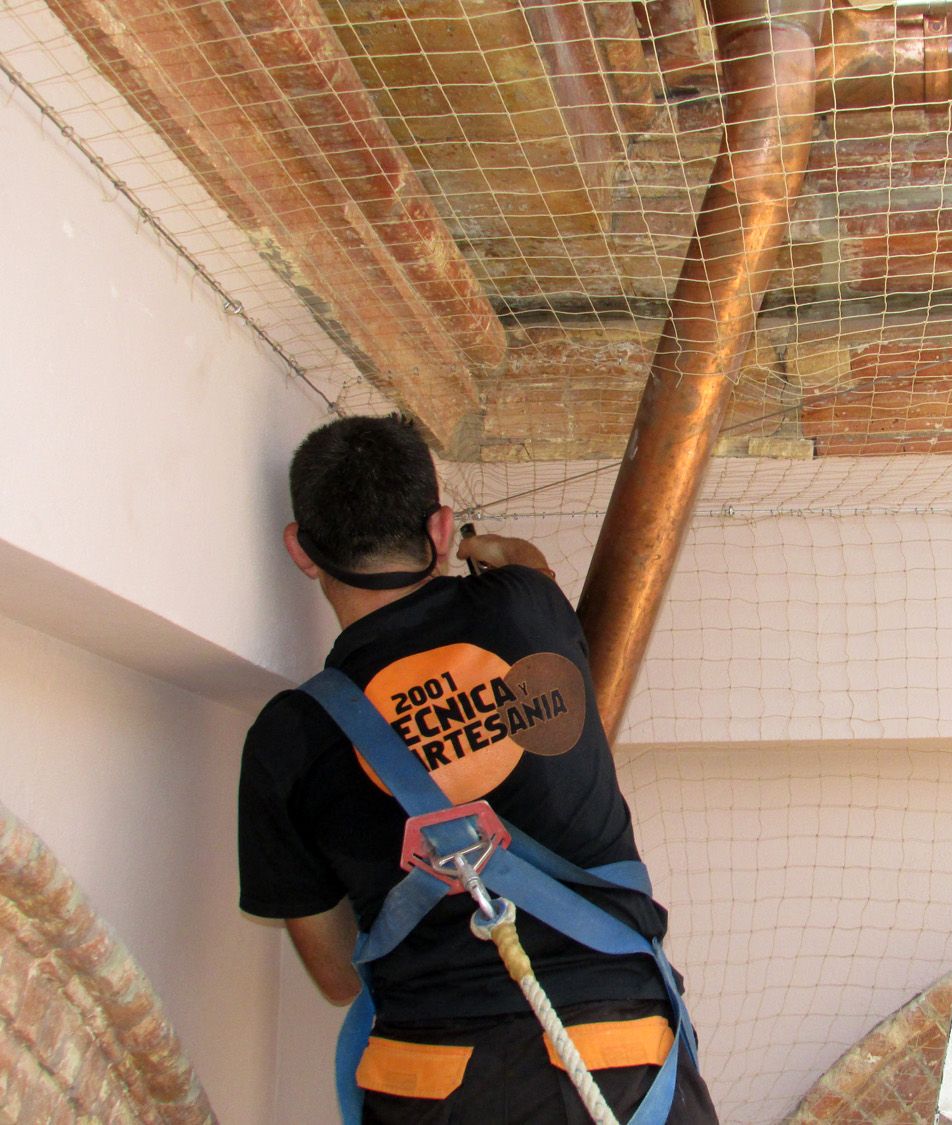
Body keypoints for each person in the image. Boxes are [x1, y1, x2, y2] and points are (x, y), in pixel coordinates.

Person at [237, 414, 717, 1124]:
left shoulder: (288, 737)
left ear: (302, 551)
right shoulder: (529, 610)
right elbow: (523, 559)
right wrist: (469, 546)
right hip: (615, 1059)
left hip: (431, 1081)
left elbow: (339, 974)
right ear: (438, 530)